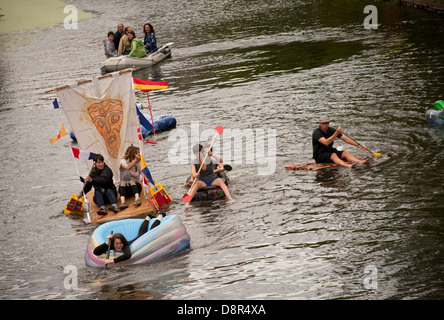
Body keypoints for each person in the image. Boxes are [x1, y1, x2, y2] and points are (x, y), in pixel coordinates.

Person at [93, 212, 166, 266]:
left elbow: (127, 255)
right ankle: (148, 217)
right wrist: (107, 242)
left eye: (120, 243)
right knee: (141, 234)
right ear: (113, 243)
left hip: (138, 241)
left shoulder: (125, 246)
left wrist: (112, 260)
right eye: (116, 244)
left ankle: (160, 215)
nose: (118, 246)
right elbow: (96, 252)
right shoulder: (111, 245)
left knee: (149, 233)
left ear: (123, 242)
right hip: (136, 238)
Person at [119, 145, 142, 210]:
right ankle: (123, 203)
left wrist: (151, 180)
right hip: (126, 190)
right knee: (123, 182)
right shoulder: (123, 161)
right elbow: (127, 167)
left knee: (131, 181)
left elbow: (144, 174)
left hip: (136, 187)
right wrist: (135, 160)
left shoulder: (139, 163)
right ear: (133, 153)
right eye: (137, 153)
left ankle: (137, 199)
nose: (139, 154)